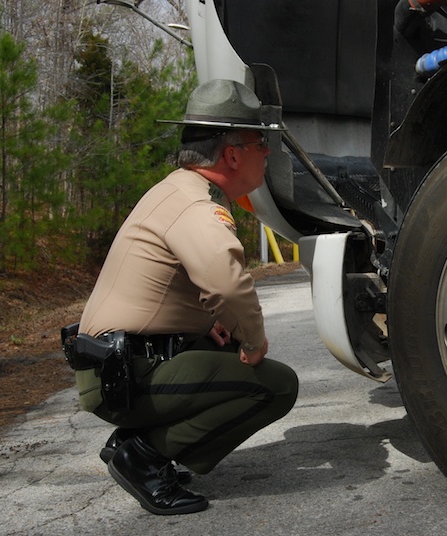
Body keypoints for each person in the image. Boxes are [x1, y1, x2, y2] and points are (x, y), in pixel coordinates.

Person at [71, 79, 299, 515]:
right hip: (124, 375)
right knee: (276, 386)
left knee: (225, 340)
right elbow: (228, 285)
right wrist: (255, 341)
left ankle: (136, 441)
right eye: (260, 142)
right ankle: (143, 457)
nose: (267, 152)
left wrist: (205, 323)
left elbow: (173, 286)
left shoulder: (176, 189)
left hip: (118, 365)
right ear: (232, 155)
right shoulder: (197, 206)